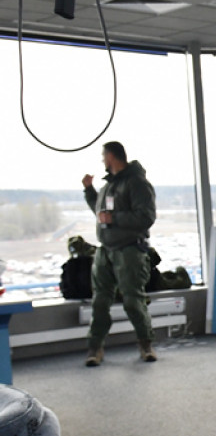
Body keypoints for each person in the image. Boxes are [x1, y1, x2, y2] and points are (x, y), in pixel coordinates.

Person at [81, 142, 158, 366]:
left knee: (133, 301)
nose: (102, 160)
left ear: (112, 156)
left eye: (103, 156)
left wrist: (115, 219)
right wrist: (89, 190)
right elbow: (100, 211)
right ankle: (95, 348)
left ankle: (146, 344)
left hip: (129, 250)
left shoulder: (137, 183)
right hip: (106, 250)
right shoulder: (108, 186)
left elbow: (146, 217)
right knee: (100, 302)